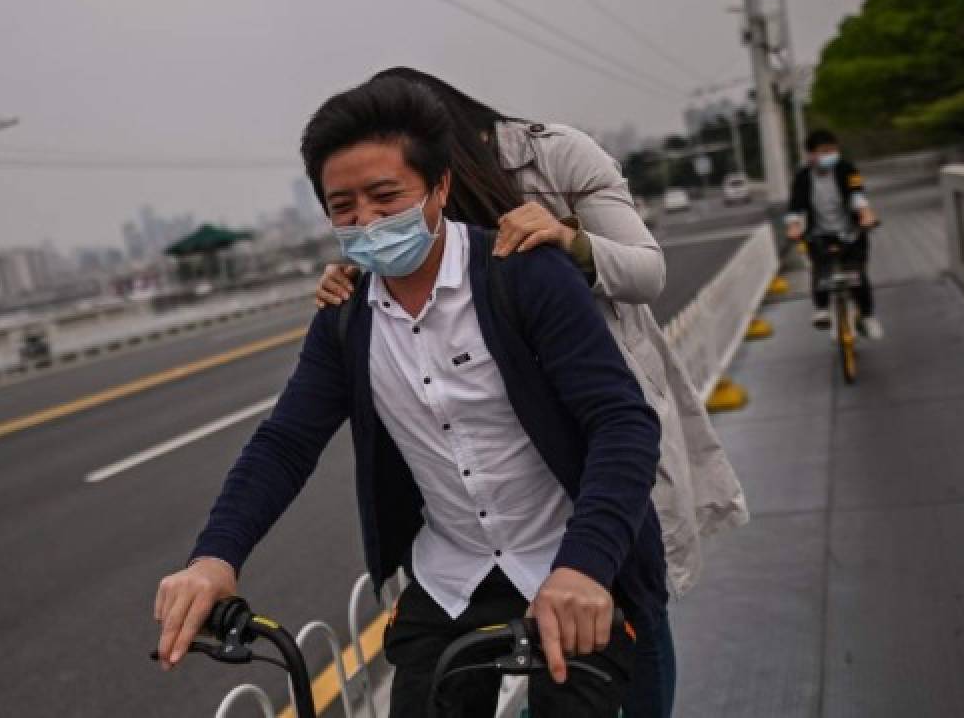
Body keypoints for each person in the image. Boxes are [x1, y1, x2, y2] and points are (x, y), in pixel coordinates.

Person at [154, 76, 668, 717]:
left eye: (385, 196)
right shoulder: (346, 318)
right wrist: (213, 559)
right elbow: (285, 442)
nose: (365, 220)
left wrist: (587, 567)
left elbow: (622, 423)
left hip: (571, 563)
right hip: (453, 576)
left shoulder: (525, 274)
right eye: (343, 206)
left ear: (441, 187)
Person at [316, 66, 750, 716]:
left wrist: (569, 242)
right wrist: (356, 271)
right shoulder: (409, 199)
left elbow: (646, 271)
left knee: (631, 595)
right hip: (513, 442)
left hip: (601, 407)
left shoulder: (553, 154)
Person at [785, 128, 883, 339]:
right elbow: (795, 206)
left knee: (857, 276)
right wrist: (793, 226)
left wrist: (866, 215)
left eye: (833, 150)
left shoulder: (847, 169)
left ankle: (867, 317)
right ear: (811, 155)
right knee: (821, 273)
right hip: (820, 233)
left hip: (851, 231)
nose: (830, 155)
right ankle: (821, 309)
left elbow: (857, 195)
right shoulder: (802, 177)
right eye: (824, 151)